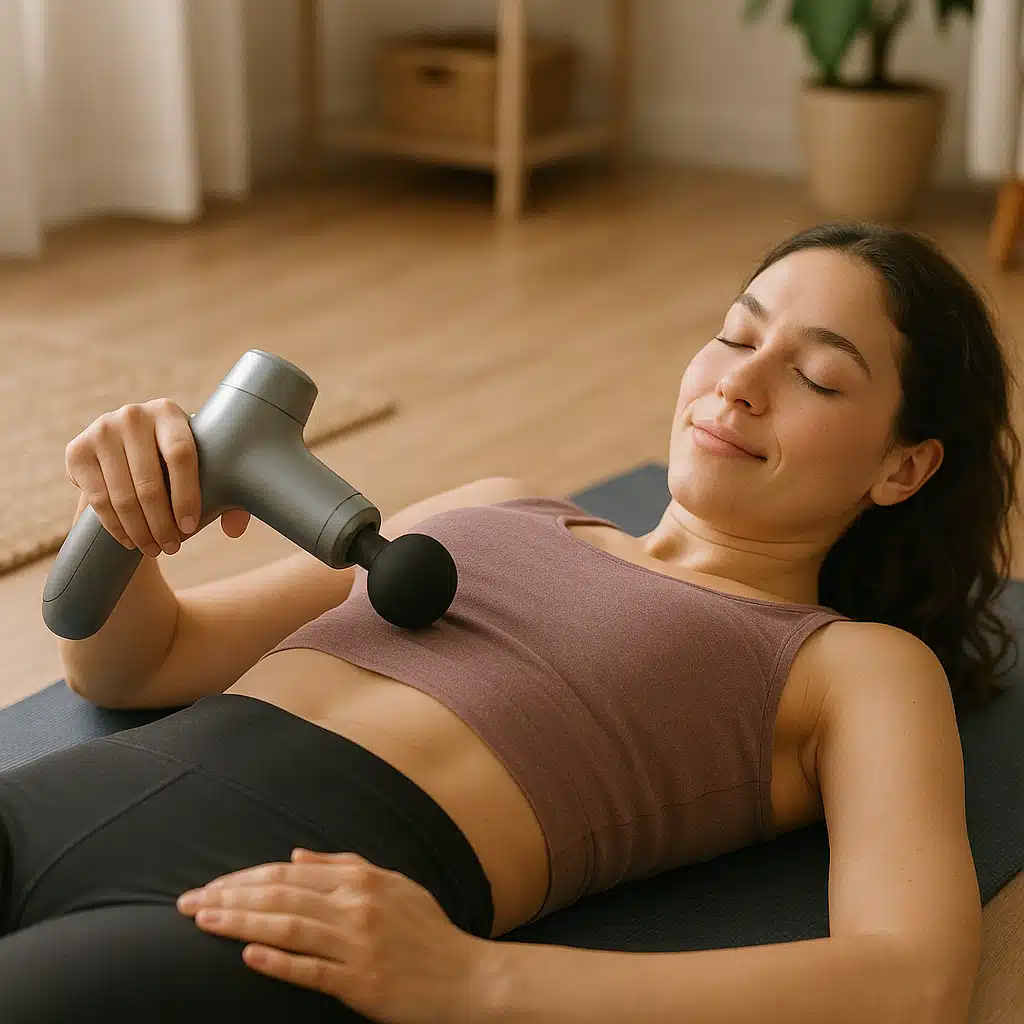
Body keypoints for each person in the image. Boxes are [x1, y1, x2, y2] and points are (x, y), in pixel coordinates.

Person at [0, 222, 1018, 1022]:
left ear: (902, 466)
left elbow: (908, 983)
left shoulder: (853, 665)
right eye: (736, 334)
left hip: (270, 905)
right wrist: (126, 516)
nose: (737, 385)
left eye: (816, 375)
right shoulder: (492, 504)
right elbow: (139, 663)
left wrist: (475, 982)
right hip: (63, 800)